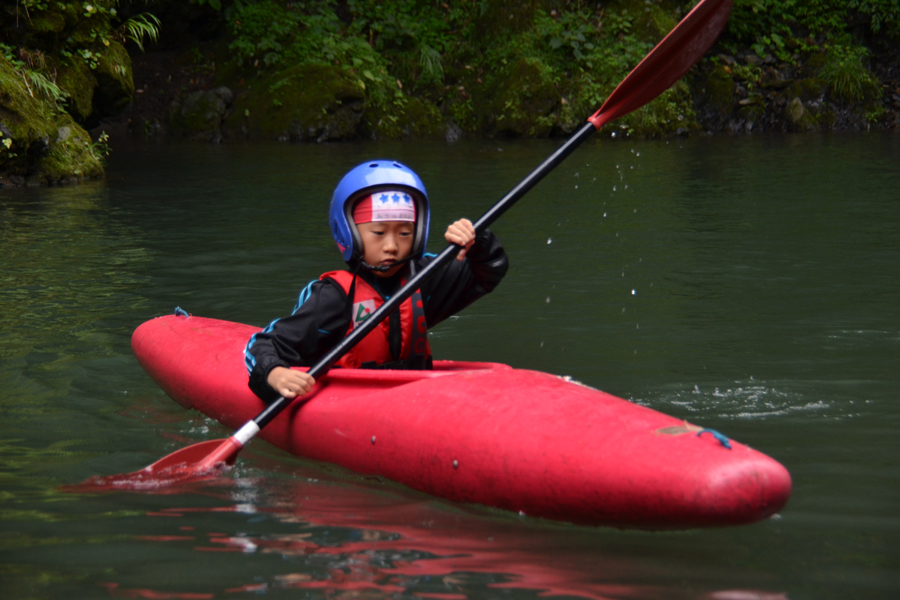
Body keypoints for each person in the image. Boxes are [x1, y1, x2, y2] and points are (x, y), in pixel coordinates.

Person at [244, 159, 508, 403]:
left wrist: (476, 241)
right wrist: (276, 374)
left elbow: (489, 272)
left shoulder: (423, 278)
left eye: (405, 233)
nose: (391, 246)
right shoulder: (333, 297)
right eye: (379, 233)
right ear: (348, 233)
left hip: (415, 399)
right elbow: (263, 345)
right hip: (350, 405)